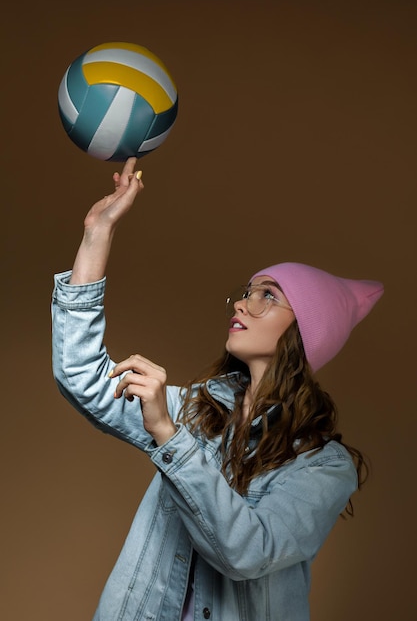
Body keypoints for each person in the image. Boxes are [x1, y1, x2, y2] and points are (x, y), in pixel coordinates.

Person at [52, 158, 384, 621]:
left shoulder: (323, 464)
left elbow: (249, 552)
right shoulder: (193, 411)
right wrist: (97, 233)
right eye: (247, 291)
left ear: (306, 331)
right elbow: (81, 374)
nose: (242, 303)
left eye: (268, 295)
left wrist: (170, 438)